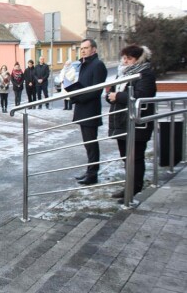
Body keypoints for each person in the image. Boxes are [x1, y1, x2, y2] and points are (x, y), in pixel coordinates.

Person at [106, 45, 156, 204]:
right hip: (121, 121)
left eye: (129, 58)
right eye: (124, 58)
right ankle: (129, 186)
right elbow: (112, 93)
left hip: (137, 124)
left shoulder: (145, 74)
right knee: (126, 158)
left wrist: (118, 96)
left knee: (135, 158)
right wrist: (110, 96)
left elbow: (142, 95)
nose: (125, 61)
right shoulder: (123, 74)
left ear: (138, 59)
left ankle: (134, 189)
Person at [67, 39, 107, 185]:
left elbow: (96, 91)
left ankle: (92, 174)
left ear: (94, 49)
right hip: (82, 108)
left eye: (86, 48)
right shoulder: (82, 64)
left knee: (91, 144)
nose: (82, 50)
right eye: (81, 48)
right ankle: (89, 171)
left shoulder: (98, 65)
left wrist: (77, 97)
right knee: (87, 144)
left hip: (90, 110)